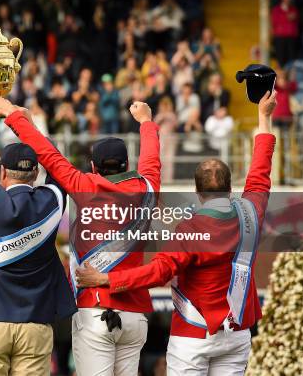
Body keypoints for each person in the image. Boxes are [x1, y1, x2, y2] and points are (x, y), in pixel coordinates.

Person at [76, 91, 278, 376]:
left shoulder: (189, 230)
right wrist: (263, 117)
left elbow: (158, 273)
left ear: (197, 193)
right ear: (230, 190)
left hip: (192, 333)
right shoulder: (251, 213)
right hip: (236, 332)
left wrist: (106, 279)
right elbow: (260, 173)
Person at [0, 95, 161, 376]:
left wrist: (15, 116)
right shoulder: (147, 187)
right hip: (136, 314)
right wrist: (147, 123)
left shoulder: (81, 184)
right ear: (127, 166)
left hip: (94, 310)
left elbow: (48, 156)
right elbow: (152, 159)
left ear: (92, 167)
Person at [0, 119, 77, 376]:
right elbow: (59, 165)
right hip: (35, 322)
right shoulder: (51, 199)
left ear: (2, 173)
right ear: (35, 173)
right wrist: (27, 125)